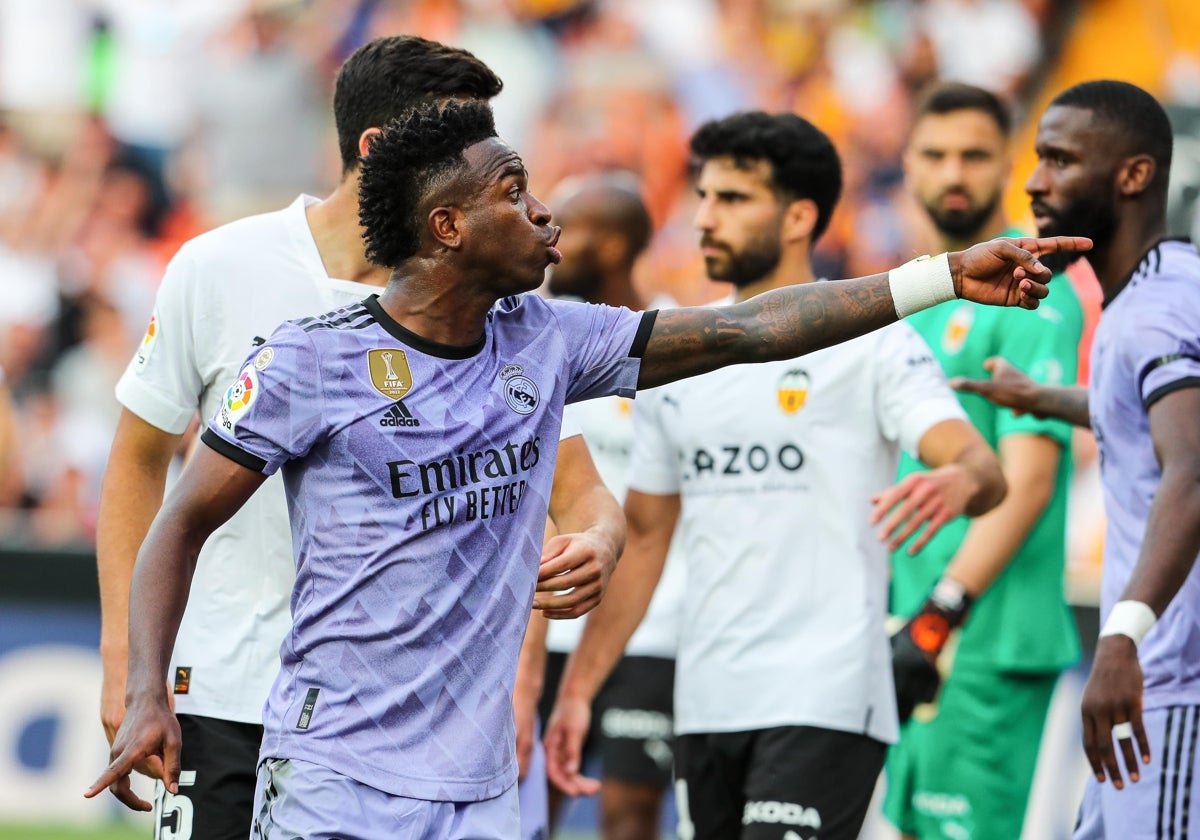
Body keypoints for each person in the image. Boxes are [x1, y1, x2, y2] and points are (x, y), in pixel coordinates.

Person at [87, 99, 1084, 839]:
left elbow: (746, 329)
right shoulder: (310, 358)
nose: (549, 216)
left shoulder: (545, 341)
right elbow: (179, 521)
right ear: (448, 227)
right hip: (333, 777)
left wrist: (939, 277)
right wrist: (142, 691)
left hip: (478, 793)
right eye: (517, 197)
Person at [94, 35, 622, 840]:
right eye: (455, 147)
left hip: (412, 727)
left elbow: (576, 491)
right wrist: (128, 668)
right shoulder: (221, 267)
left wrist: (598, 540)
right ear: (381, 152)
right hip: (227, 688)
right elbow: (140, 464)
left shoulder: (485, 305)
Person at [540, 110, 1018, 840]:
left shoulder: (875, 345)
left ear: (799, 216)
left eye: (732, 200)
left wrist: (959, 482)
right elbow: (643, 537)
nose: (704, 219)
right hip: (706, 699)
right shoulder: (680, 357)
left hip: (826, 697)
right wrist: (579, 693)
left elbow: (982, 467)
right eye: (702, 196)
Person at [949, 79, 1200, 839]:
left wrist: (1122, 636)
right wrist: (1048, 400)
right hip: (1150, 683)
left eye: (1059, 159)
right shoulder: (1166, 286)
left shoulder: (1155, 312)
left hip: (1167, 680)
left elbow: (1191, 470)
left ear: (1133, 175)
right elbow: (1152, 419)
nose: (1033, 180)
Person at [883, 82, 1085, 840]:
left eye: (974, 154)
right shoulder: (918, 292)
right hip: (917, 631)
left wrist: (939, 617)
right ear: (906, 164)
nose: (953, 172)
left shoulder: (1027, 292)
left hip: (979, 636)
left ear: (1009, 164)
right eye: (935, 155)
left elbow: (1028, 483)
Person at [538, 172, 685, 839]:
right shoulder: (531, 341)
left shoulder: (679, 341)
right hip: (547, 621)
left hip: (651, 628)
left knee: (629, 816)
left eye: (575, 229)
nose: (553, 243)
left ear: (619, 244)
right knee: (528, 805)